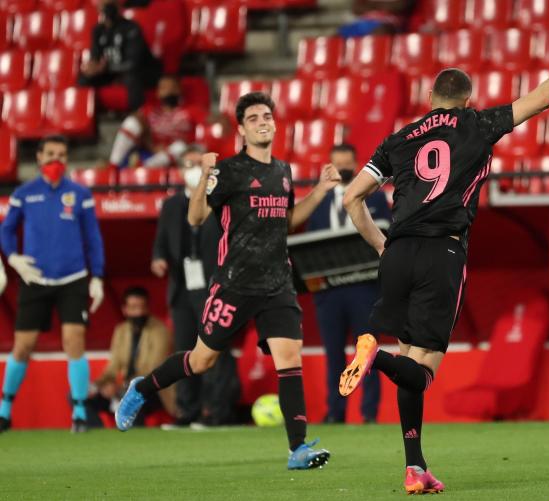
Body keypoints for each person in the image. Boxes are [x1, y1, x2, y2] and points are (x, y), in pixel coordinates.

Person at [339, 12, 549, 495]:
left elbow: (350, 198)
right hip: (442, 252)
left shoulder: (398, 140)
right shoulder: (478, 124)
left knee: (411, 355)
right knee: (421, 369)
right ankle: (373, 358)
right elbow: (546, 97)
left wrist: (381, 243)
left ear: (429, 100)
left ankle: (414, 466)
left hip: (398, 251)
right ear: (466, 100)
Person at [116, 91, 342, 470]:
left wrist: (319, 190)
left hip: (278, 284)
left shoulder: (283, 171)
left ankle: (298, 450)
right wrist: (204, 175)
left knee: (289, 360)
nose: (262, 122)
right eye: (253, 118)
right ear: (240, 129)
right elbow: (195, 218)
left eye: (266, 115)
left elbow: (286, 223)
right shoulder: (229, 172)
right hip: (234, 283)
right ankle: (141, 387)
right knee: (202, 360)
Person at [0, 135, 106, 433]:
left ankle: (81, 414)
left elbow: (93, 238)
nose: (55, 160)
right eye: (50, 154)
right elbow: (6, 231)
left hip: (73, 278)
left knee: (74, 342)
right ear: (38, 157)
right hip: (35, 279)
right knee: (23, 347)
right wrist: (14, 259)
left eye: (61, 154)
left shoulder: (80, 194)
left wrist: (97, 276)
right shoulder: (24, 193)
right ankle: (4, 412)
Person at [151, 146, 240, 427]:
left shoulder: (221, 201)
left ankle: (215, 412)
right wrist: (158, 259)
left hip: (214, 285)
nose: (190, 168)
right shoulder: (171, 205)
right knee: (184, 349)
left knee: (214, 350)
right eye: (186, 164)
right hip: (181, 287)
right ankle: (186, 412)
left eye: (196, 163)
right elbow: (161, 242)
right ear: (178, 169)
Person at [306, 143, 391, 424]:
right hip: (329, 292)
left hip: (363, 288)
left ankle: (369, 413)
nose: (342, 168)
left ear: (356, 165)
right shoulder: (317, 203)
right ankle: (335, 412)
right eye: (337, 164)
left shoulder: (376, 199)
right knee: (333, 354)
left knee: (368, 353)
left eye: (346, 163)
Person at [87, 286, 175, 427]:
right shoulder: (121, 330)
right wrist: (101, 384)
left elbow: (154, 371)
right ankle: (97, 436)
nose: (139, 312)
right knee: (81, 396)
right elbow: (113, 366)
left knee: (133, 397)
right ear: (125, 309)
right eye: (133, 308)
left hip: (153, 390)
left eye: (142, 307)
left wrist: (119, 387)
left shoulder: (160, 330)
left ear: (148, 308)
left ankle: (136, 440)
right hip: (123, 388)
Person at [78, 0, 162, 112]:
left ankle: (137, 117)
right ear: (98, 8)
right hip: (111, 71)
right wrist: (93, 67)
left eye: (111, 3)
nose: (108, 8)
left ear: (119, 6)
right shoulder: (98, 30)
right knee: (84, 79)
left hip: (138, 70)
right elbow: (96, 57)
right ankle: (87, 119)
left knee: (132, 78)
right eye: (104, 5)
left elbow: (133, 63)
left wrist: (106, 68)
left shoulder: (132, 27)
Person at [109, 76, 208, 169]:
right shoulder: (150, 110)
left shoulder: (192, 110)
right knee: (131, 123)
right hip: (152, 151)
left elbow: (208, 124)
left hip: (179, 157)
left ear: (179, 90)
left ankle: (144, 168)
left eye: (172, 88)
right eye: (164, 88)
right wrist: (152, 146)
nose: (169, 91)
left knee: (180, 146)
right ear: (158, 92)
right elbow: (136, 118)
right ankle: (113, 166)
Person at [339, 0, 415, 37]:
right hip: (362, 23)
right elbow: (356, 8)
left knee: (381, 32)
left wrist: (371, 4)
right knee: (334, 38)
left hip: (389, 24)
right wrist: (383, 5)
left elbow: (399, 6)